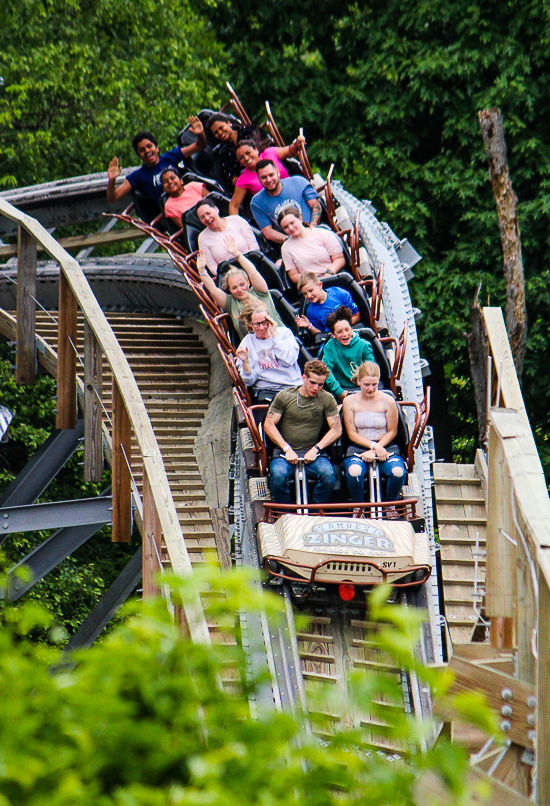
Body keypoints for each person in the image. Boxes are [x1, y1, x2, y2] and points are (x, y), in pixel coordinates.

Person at [264, 360, 342, 504]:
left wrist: (316, 449)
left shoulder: (327, 398)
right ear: (303, 377)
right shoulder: (285, 396)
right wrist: (286, 448)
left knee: (329, 476)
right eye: (312, 382)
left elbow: (336, 429)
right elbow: (269, 425)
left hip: (313, 452)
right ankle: (285, 513)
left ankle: (316, 510)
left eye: (320, 384)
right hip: (284, 452)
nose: (316, 388)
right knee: (278, 477)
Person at [342, 361, 406, 503]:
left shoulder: (388, 400)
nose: (371, 389)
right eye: (366, 385)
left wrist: (378, 447)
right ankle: (358, 506)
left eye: (374, 385)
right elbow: (351, 433)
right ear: (358, 381)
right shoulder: (349, 401)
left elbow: (392, 431)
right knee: (354, 472)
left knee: (397, 472)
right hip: (359, 447)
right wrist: (373, 446)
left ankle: (390, 504)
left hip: (385, 446)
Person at [197, 236, 283, 338]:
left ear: (248, 282)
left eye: (242, 285)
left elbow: (253, 272)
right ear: (229, 290)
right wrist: (202, 271)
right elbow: (213, 289)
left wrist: (237, 254)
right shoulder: (231, 303)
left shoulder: (260, 292)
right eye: (234, 288)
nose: (239, 290)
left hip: (278, 337)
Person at [106, 119, 206, 205]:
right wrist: (112, 180)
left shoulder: (169, 157)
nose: (147, 151)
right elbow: (113, 197)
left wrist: (200, 133)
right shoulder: (138, 175)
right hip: (172, 209)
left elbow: (200, 145)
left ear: (157, 148)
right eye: (142, 150)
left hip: (190, 198)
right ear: (139, 155)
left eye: (149, 146)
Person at [235, 302, 302, 402]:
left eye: (264, 322)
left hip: (292, 386)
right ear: (250, 324)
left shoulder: (284, 333)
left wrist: (275, 335)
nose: (261, 328)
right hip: (267, 390)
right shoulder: (248, 342)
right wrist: (246, 362)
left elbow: (289, 360)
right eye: (257, 324)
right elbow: (249, 381)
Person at [228, 137, 305, 216]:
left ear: (256, 150)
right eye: (241, 158)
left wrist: (296, 144)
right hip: (277, 210)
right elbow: (234, 205)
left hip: (295, 192)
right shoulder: (243, 180)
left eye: (248, 153)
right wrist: (235, 224)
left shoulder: (270, 153)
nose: (246, 158)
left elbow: (290, 151)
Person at [251, 162, 322, 245]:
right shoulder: (257, 202)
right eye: (264, 177)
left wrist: (311, 228)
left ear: (277, 172)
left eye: (271, 175)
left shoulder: (298, 181)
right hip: (290, 242)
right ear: (258, 179)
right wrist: (290, 240)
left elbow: (316, 206)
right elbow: (267, 231)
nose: (269, 180)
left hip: (314, 231)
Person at [278, 205, 345, 281]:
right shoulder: (286, 247)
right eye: (286, 227)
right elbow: (293, 275)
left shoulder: (322, 233)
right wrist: (313, 280)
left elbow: (339, 259)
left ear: (300, 218)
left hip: (331, 277)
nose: (290, 228)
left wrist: (329, 272)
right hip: (309, 284)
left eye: (292, 223)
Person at [322, 307, 375, 402]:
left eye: (347, 330)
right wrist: (339, 391)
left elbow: (371, 369)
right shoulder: (329, 347)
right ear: (333, 335)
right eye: (339, 332)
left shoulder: (364, 345)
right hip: (341, 390)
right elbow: (326, 369)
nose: (345, 334)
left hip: (363, 388)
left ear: (351, 329)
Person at [206, 113, 271, 189]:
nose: (220, 133)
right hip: (251, 184)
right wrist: (251, 181)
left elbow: (269, 149)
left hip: (269, 167)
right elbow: (231, 179)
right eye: (216, 133)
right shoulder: (221, 153)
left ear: (228, 123)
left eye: (221, 128)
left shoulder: (248, 131)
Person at [196, 198, 259, 274]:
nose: (207, 218)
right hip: (230, 275)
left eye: (208, 213)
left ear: (216, 209)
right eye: (202, 217)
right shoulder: (202, 238)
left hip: (252, 265)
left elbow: (254, 248)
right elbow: (213, 269)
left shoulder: (237, 220)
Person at [295, 273, 360, 334]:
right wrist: (309, 326)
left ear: (320, 285)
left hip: (350, 331)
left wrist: (342, 329)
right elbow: (320, 334)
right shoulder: (311, 311)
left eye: (311, 290)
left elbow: (356, 316)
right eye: (305, 294)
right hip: (331, 339)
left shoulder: (339, 293)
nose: (309, 296)